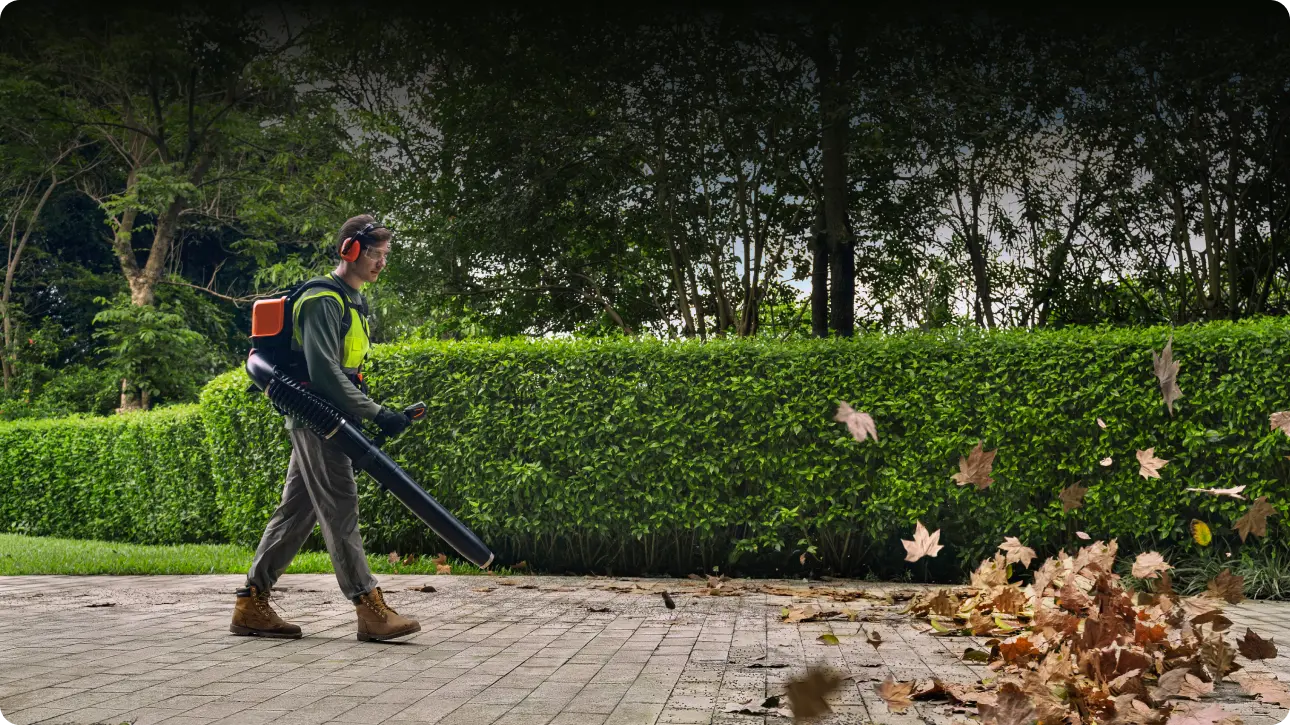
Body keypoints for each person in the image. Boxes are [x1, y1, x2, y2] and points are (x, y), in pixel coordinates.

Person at [230, 214, 422, 642]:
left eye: (385, 255)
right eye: (375, 253)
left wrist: (371, 411)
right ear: (350, 251)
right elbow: (324, 373)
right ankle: (370, 609)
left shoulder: (354, 302)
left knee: (296, 514)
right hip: (318, 418)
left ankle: (251, 604)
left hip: (333, 418)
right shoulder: (323, 300)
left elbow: (347, 373)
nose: (381, 263)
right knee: (341, 508)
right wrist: (376, 413)